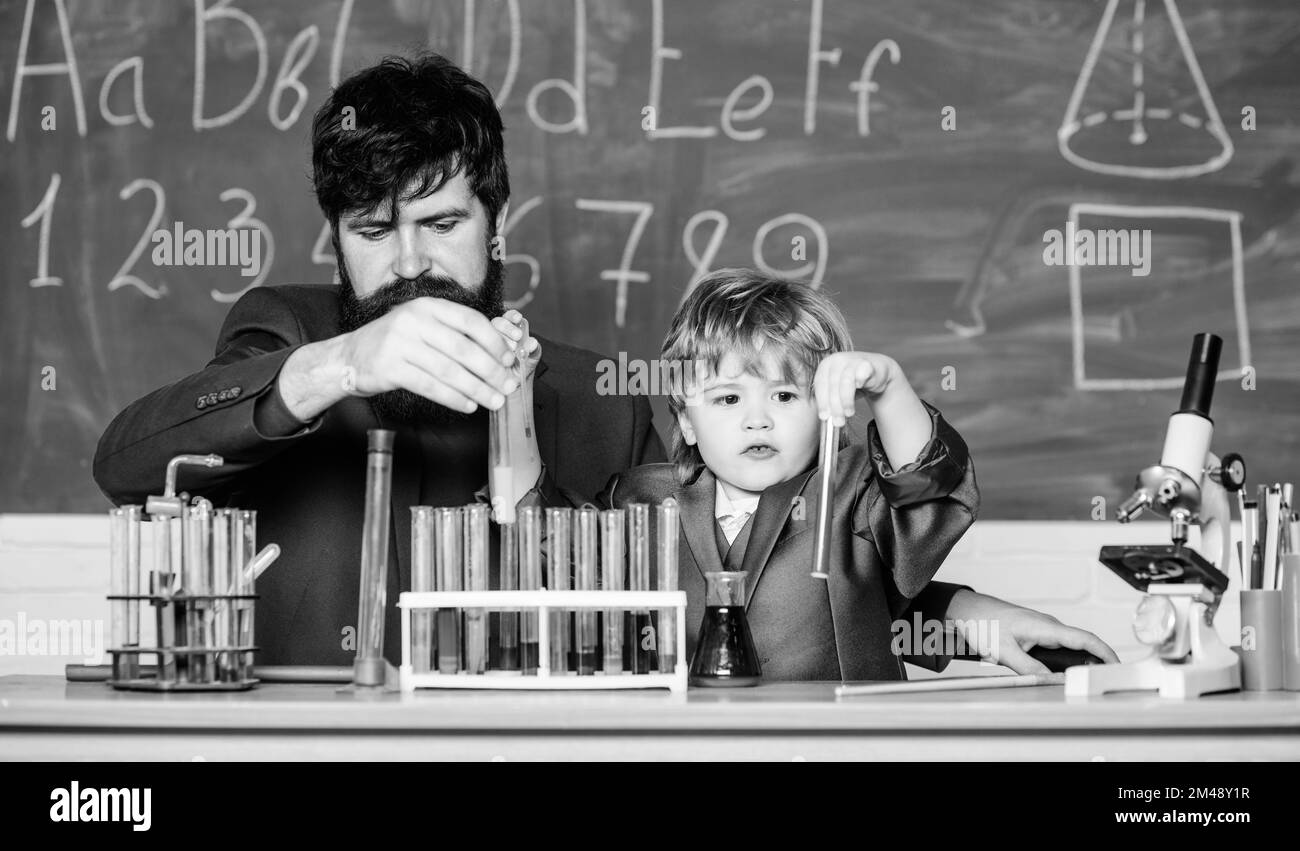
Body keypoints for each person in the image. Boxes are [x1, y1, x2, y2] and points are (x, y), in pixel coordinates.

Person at [93, 53, 663, 666]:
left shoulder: (604, 406)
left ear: (496, 223)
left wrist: (523, 459)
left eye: (441, 224)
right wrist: (332, 367)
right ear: (336, 245)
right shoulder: (287, 333)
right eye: (373, 232)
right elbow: (126, 467)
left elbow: (657, 635)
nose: (411, 264)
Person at [600, 268, 1118, 679]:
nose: (757, 418)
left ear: (828, 406)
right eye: (729, 398)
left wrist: (888, 388)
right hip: (692, 746)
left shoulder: (853, 492)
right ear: (687, 420)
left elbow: (925, 494)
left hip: (847, 743)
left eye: (784, 395)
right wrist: (964, 616)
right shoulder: (641, 500)